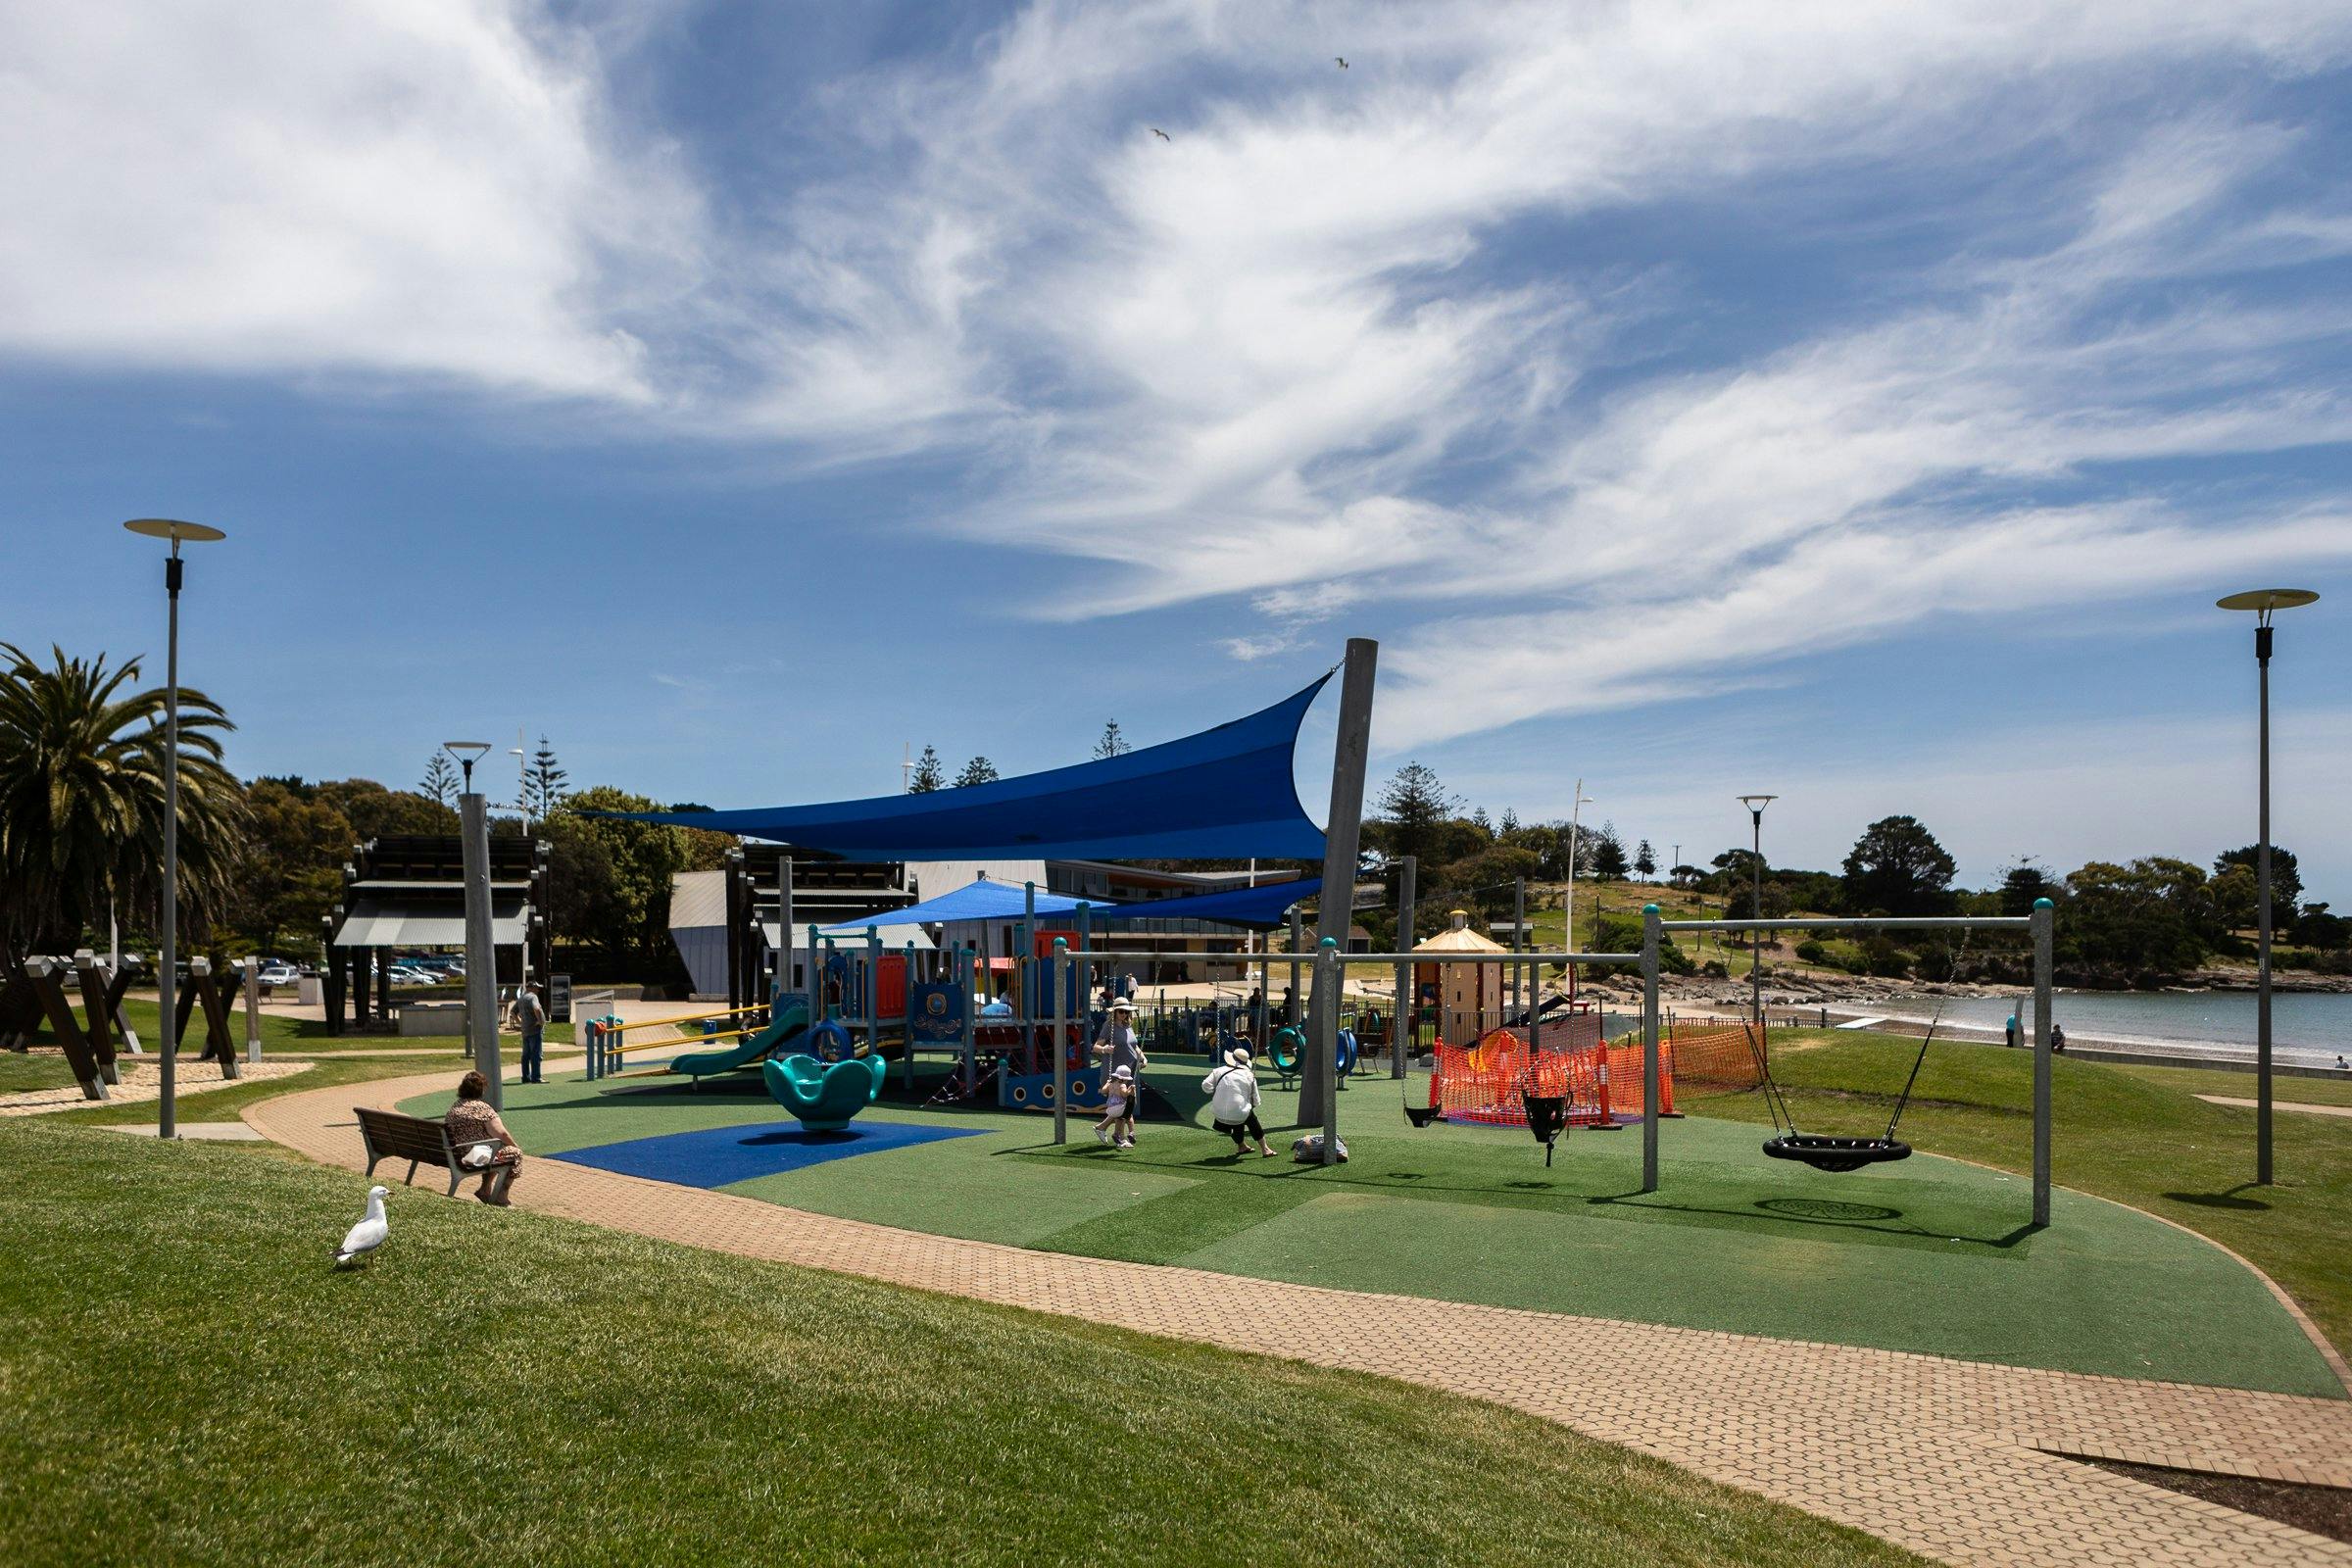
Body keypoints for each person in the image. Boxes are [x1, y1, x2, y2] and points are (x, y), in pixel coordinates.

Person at [443, 1069, 521, 1205]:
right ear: (481, 1090)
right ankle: (501, 1196)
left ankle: (485, 1190)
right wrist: (514, 1145)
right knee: (514, 1153)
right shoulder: (482, 1108)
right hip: (473, 1157)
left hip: (455, 1154)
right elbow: (501, 1133)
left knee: (492, 1150)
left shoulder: (454, 1107)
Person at [1093, 998, 1148, 1144]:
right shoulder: (1108, 1026)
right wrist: (1105, 1049)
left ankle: (1108, 1130)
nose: (1124, 1014)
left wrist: (1143, 1057)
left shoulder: (1128, 1026)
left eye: (1126, 1012)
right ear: (1115, 1012)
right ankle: (1119, 1136)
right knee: (1122, 1106)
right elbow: (1096, 1046)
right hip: (1117, 1072)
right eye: (1121, 1011)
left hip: (1130, 1071)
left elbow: (1134, 1046)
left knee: (1126, 1105)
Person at [1203, 1046, 1274, 1157]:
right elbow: (1255, 1099)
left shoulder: (1218, 1071)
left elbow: (1206, 1086)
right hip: (1238, 1114)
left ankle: (1241, 1146)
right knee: (1249, 1117)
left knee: (1238, 1114)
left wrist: (1217, 1091)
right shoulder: (1249, 1075)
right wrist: (1249, 1105)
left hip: (1218, 1114)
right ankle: (1265, 1149)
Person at [1093, 1064, 1137, 1148]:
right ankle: (1131, 1132)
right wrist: (1130, 1089)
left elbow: (1103, 1091)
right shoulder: (1122, 1085)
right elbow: (1124, 1094)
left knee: (1120, 1118)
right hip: (1119, 1107)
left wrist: (1107, 1083)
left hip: (1110, 1109)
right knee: (1129, 1116)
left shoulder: (1111, 1084)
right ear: (1124, 1079)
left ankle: (1117, 1134)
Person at [515, 984, 547, 1085]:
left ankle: (525, 1077)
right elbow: (536, 1008)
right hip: (534, 1030)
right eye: (536, 987)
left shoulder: (521, 998)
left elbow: (512, 1012)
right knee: (536, 1054)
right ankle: (536, 1077)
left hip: (525, 1030)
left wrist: (520, 1023)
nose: (538, 990)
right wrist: (541, 1021)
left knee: (526, 1055)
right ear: (530, 988)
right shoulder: (533, 997)